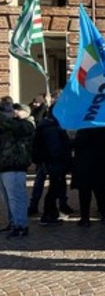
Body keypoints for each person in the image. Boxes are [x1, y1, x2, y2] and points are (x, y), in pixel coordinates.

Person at [72, 125, 105, 226]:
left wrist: (70, 141)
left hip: (85, 166)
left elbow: (79, 143)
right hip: (101, 165)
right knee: (101, 192)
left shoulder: (84, 129)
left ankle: (85, 218)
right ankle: (104, 216)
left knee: (85, 194)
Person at [32, 104, 73, 226]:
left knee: (55, 188)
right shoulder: (52, 128)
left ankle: (51, 213)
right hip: (54, 162)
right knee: (54, 189)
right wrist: (64, 158)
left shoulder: (48, 125)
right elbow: (55, 148)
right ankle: (48, 215)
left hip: (51, 161)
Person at [0, 102, 35, 238]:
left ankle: (21, 226)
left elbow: (15, 127)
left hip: (15, 167)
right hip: (3, 167)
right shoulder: (6, 126)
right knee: (8, 199)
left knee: (17, 198)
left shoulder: (26, 124)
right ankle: (13, 223)